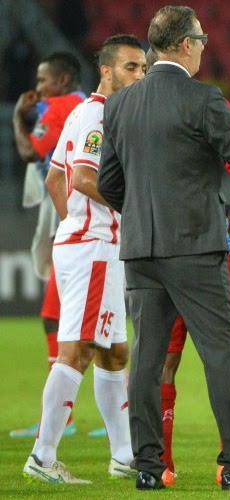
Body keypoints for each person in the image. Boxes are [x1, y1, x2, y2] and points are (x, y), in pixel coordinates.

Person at [97, 6, 230, 491]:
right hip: (195, 249)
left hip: (140, 248)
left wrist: (146, 213)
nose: (204, 46)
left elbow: (107, 182)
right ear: (185, 44)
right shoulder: (204, 99)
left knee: (146, 357)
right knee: (221, 352)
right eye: (201, 39)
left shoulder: (119, 105)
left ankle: (147, 466)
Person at [21, 34, 146, 484]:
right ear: (107, 71)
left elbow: (57, 180)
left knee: (115, 353)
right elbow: (85, 178)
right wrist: (134, 207)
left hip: (90, 244)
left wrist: (74, 223)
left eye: (143, 68)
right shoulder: (101, 116)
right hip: (95, 248)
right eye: (131, 67)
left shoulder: (80, 112)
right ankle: (43, 454)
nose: (140, 75)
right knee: (76, 351)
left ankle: (124, 454)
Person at [152, 47, 230, 487]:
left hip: (154, 248)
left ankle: (160, 464)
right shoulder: (211, 104)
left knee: (161, 361)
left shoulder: (134, 103)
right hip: (207, 247)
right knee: (222, 357)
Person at [10, 52, 85, 439]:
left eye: (43, 80)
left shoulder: (57, 108)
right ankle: (105, 416)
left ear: (64, 79)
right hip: (88, 220)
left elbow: (30, 152)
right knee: (95, 323)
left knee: (57, 317)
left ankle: (65, 421)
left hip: (68, 221)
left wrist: (15, 121)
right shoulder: (83, 105)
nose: (38, 88)